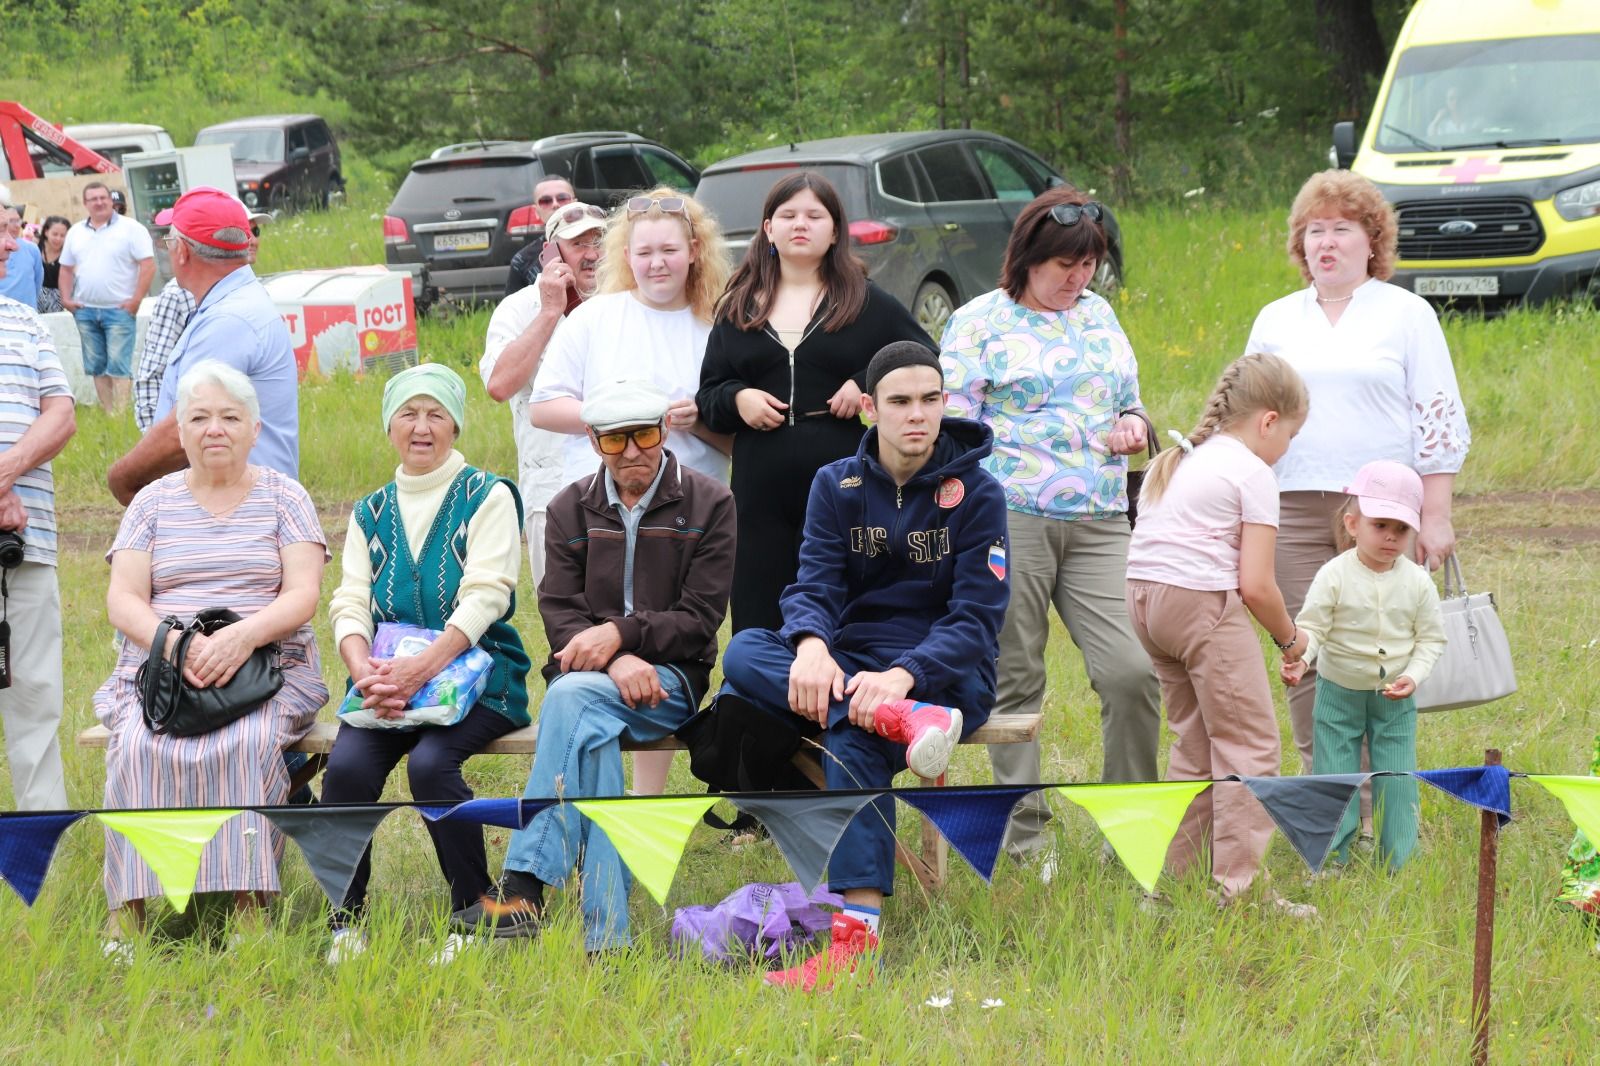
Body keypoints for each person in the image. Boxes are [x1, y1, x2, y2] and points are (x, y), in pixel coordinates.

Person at [716, 342, 1010, 990]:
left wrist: (905, 676)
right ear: (871, 408)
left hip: (949, 674)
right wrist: (814, 647)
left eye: (930, 400)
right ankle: (901, 721)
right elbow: (812, 585)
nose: (918, 415)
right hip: (856, 663)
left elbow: (977, 617)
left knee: (849, 735)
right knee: (743, 653)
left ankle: (856, 945)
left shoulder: (979, 493)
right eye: (901, 402)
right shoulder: (836, 485)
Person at [452, 380, 735, 953]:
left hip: (671, 684)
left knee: (572, 698)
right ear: (592, 439)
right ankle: (608, 940)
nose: (631, 451)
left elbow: (700, 620)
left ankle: (525, 884)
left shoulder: (711, 503)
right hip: (591, 687)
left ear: (665, 431)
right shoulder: (565, 508)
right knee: (592, 737)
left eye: (644, 435)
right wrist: (618, 661)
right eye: (613, 439)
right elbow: (559, 615)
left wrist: (621, 636)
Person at [941, 186, 1161, 868]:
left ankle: (1131, 825)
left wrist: (1137, 426)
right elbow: (950, 427)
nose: (1077, 278)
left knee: (1131, 672)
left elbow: (1131, 403)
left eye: (1088, 264)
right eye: (1064, 263)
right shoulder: (980, 321)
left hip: (1099, 517)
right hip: (1010, 516)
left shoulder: (1099, 317)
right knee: (1017, 678)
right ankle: (1027, 837)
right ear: (1028, 256)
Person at [1244, 170, 1470, 831]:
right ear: (1300, 243)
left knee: (1380, 648)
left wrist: (1437, 514)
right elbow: (1247, 413)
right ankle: (1332, 809)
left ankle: (1387, 801)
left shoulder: (1406, 314)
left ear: (1373, 242)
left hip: (1380, 511)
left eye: (1342, 229)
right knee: (1307, 652)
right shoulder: (1276, 319)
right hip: (1288, 505)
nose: (1327, 242)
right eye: (1315, 230)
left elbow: (1437, 417)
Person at [96, 361, 327, 955]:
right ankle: (130, 914)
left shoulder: (285, 496)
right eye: (198, 417)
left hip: (268, 668)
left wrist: (243, 637)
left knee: (247, 745)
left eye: (230, 417)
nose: (214, 429)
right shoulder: (151, 502)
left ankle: (249, 908)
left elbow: (303, 593)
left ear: (255, 428)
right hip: (161, 667)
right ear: (180, 432)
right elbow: (123, 598)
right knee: (139, 747)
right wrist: (178, 646)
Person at [321, 364, 529, 966]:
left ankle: (475, 913)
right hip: (387, 682)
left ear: (456, 423)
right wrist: (365, 672)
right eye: (408, 414)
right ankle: (345, 920)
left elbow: (486, 596)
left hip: (479, 675)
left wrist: (422, 670)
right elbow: (351, 601)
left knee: (432, 767)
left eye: (435, 413)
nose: (421, 427)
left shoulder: (486, 495)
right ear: (389, 426)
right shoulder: (371, 511)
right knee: (347, 772)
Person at [529, 187, 731, 794]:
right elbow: (543, 405)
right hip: (599, 504)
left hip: (688, 509)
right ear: (625, 254)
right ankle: (605, 820)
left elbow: (742, 432)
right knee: (601, 640)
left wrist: (704, 418)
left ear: (695, 251)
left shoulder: (718, 322)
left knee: (659, 635)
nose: (657, 263)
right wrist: (622, 420)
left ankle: (640, 805)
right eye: (644, 252)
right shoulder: (596, 316)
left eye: (670, 249)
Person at [697, 170, 931, 633]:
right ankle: (763, 697)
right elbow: (708, 394)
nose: (799, 224)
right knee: (760, 607)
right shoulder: (739, 305)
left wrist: (865, 382)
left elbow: (924, 357)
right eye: (787, 215)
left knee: (845, 594)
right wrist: (738, 397)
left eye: (813, 215)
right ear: (768, 229)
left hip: (845, 480)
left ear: (835, 230)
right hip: (759, 485)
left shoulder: (866, 301)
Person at [1125, 353, 1314, 914]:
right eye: (1291, 435)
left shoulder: (1186, 459)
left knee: (1198, 742)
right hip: (1198, 604)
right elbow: (1256, 586)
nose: (1287, 450)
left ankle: (1173, 882)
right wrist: (1291, 640)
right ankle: (1241, 892)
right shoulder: (1251, 472)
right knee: (1251, 746)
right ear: (1268, 421)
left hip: (1145, 604)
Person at [1282, 460, 1447, 872]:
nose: (1391, 537)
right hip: (1337, 693)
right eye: (1380, 526)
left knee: (1397, 775)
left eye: (1402, 529)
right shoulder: (1333, 575)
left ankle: (1399, 858)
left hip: (1395, 698)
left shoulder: (1417, 582)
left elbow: (1431, 638)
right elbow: (1312, 627)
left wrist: (1413, 675)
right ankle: (1331, 857)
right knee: (1333, 775)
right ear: (1353, 524)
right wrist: (1300, 659)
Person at [107, 187, 298, 504]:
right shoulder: (231, 305)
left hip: (239, 516)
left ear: (181, 251)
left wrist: (123, 478)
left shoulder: (230, 319)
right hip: (237, 506)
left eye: (169, 243)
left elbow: (181, 429)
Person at [479, 201, 604, 587]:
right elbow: (500, 384)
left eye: (599, 241)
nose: (592, 254)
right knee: (562, 611)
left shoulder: (620, 304)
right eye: (579, 244)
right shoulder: (518, 309)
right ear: (550, 252)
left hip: (618, 479)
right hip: (551, 488)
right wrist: (550, 312)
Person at [0, 225, 77, 811]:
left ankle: (40, 834)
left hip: (28, 540)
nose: (12, 244)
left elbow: (62, 414)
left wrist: (9, 470)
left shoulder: (25, 320)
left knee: (35, 691)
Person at [58, 181, 154, 414]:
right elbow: (66, 269)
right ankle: (109, 413)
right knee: (96, 367)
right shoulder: (76, 232)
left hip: (119, 310)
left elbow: (148, 265)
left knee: (119, 365)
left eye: (103, 198)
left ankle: (121, 417)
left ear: (111, 201)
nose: (99, 202)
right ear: (85, 204)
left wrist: (136, 300)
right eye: (93, 199)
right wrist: (66, 299)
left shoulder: (131, 229)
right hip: (86, 310)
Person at [503, 175, 579, 298]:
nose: (555, 204)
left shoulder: (600, 248)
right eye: (546, 201)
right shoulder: (522, 261)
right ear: (536, 211)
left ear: (575, 203)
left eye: (563, 198)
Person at [0, 205, 44, 309]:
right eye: (11, 221)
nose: (16, 225)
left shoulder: (32, 249)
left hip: (27, 315)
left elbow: (37, 283)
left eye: (18, 220)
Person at [36, 215, 69, 314]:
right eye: (55, 234)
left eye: (62, 235)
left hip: (58, 301)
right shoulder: (36, 249)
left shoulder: (68, 254)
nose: (58, 239)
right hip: (35, 297)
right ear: (46, 232)